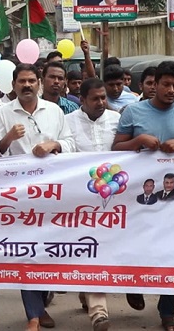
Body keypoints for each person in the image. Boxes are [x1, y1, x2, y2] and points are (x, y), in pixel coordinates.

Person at [113, 61, 174, 331]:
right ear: (155, 84)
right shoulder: (133, 111)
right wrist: (139, 141)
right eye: (166, 84)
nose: (171, 90)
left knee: (173, 251)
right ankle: (134, 285)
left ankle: (167, 313)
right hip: (139, 195)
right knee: (140, 246)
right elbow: (115, 148)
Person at [0, 63, 75, 331]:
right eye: (22, 81)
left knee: (48, 249)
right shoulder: (2, 113)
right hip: (19, 194)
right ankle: (34, 315)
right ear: (13, 85)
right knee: (26, 250)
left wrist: (53, 145)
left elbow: (71, 143)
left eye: (31, 81)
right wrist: (8, 138)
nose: (26, 85)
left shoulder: (54, 111)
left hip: (52, 191)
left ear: (38, 83)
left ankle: (42, 301)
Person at [64, 77, 120, 331]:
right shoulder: (67, 122)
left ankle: (88, 292)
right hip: (80, 199)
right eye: (95, 99)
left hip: (115, 198)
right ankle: (99, 313)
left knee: (109, 249)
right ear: (82, 99)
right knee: (90, 249)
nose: (101, 102)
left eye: (103, 98)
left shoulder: (117, 120)